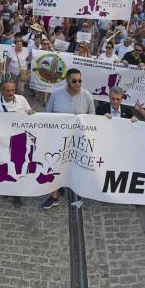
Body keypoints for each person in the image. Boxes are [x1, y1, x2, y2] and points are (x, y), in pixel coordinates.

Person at [42, 69, 96, 210]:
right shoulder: (56, 94)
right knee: (54, 164)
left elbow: (92, 116)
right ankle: (54, 196)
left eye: (80, 80)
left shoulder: (87, 96)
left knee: (72, 165)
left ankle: (66, 185)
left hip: (77, 140)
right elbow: (48, 114)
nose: (78, 83)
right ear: (67, 81)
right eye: (74, 81)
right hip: (58, 137)